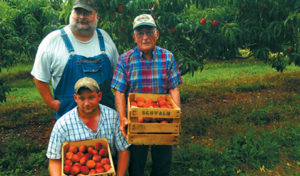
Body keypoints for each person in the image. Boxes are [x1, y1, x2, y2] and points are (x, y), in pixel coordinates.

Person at [111, 14, 182, 176]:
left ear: (156, 34)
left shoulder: (167, 57)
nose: (145, 37)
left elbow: (173, 88)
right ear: (134, 37)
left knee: (163, 162)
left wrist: (175, 114)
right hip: (137, 120)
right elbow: (120, 91)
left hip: (162, 118)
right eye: (140, 33)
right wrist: (123, 118)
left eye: (149, 32)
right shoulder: (125, 60)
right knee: (136, 163)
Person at [31, 0, 118, 119]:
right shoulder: (53, 41)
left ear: (97, 16)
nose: (82, 17)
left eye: (87, 13)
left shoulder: (105, 38)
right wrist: (52, 103)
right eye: (78, 12)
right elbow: (40, 77)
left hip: (107, 121)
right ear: (71, 13)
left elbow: (119, 76)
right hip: (70, 122)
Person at [46, 77, 130, 176]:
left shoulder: (113, 117)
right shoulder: (62, 125)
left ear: (99, 96)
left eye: (91, 97)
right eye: (82, 98)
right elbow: (54, 159)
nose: (87, 103)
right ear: (75, 98)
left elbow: (123, 151)